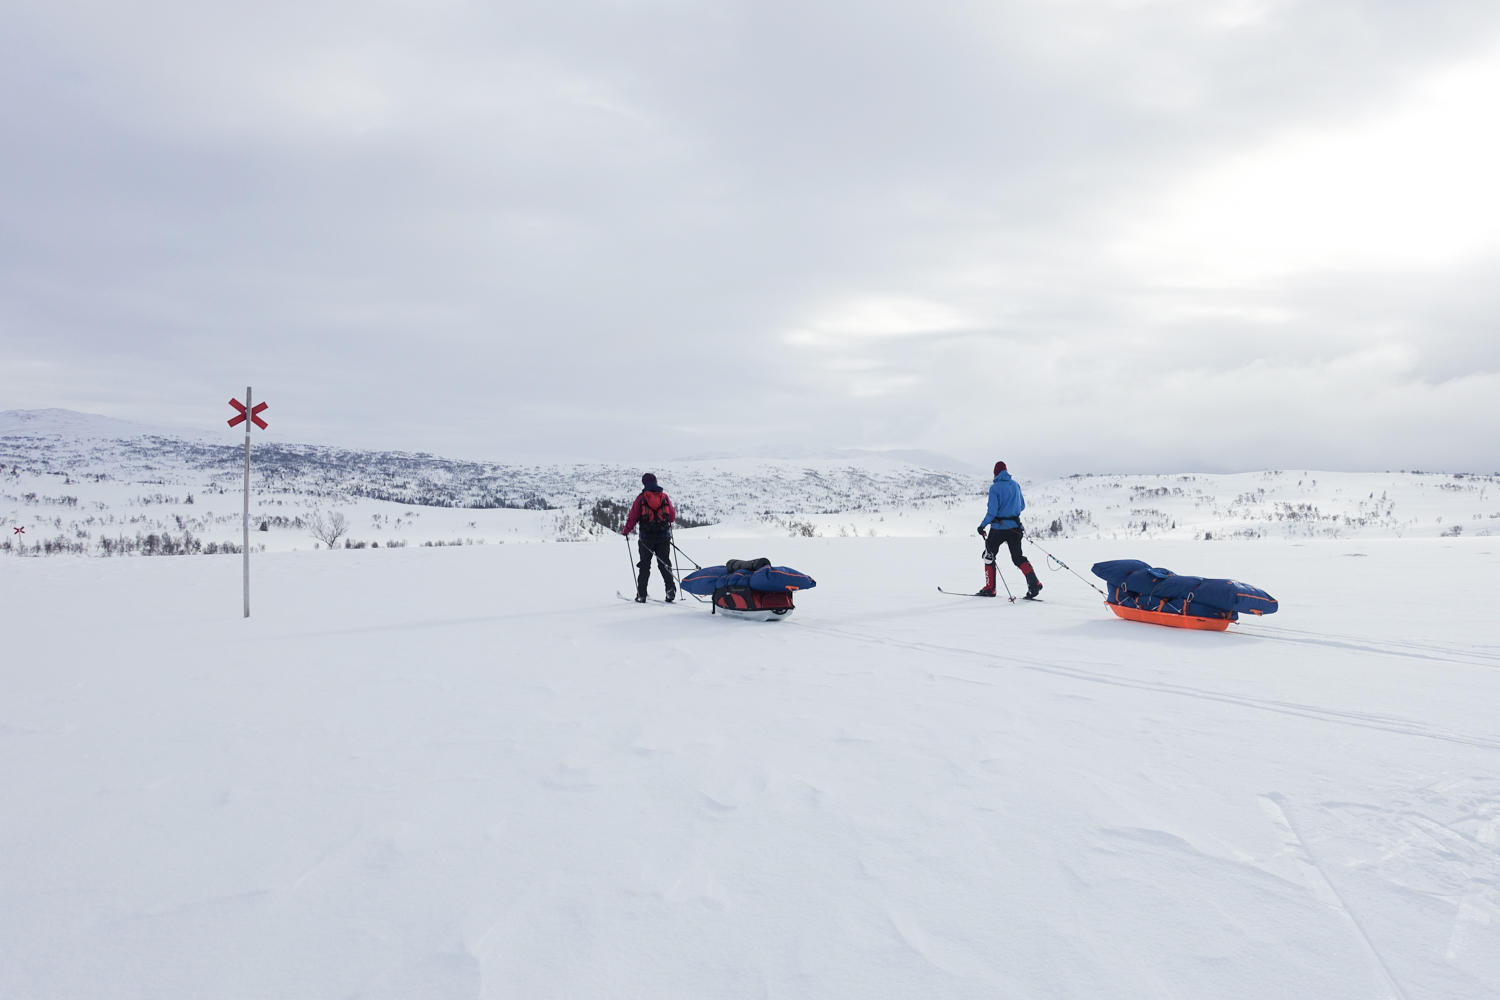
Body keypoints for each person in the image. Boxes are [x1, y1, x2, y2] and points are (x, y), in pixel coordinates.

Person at [976, 461, 1043, 599]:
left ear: (995, 473)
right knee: (1018, 558)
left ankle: (990, 589)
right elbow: (1022, 506)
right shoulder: (1015, 485)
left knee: (989, 556)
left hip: (998, 529)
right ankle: (1034, 583)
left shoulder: (994, 488)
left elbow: (992, 512)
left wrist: (982, 526)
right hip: (1015, 528)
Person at [621, 472, 677, 602]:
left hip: (646, 538)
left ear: (644, 483)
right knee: (665, 564)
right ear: (656, 482)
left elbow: (633, 517)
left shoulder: (641, 498)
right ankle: (670, 590)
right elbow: (672, 517)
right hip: (663, 536)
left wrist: (626, 531)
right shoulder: (664, 497)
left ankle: (641, 595)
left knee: (645, 565)